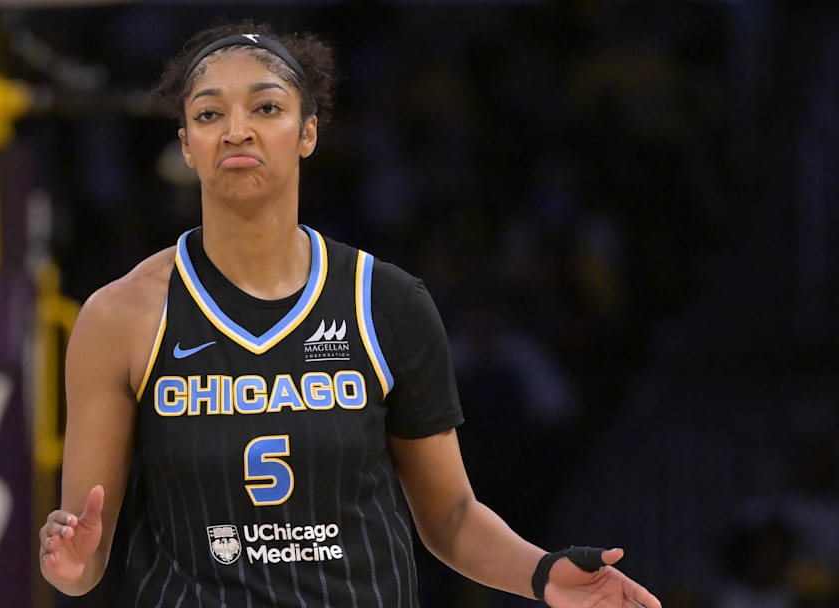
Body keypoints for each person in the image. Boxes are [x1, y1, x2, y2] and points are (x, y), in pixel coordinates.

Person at [38, 20, 662, 608]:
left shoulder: (386, 302)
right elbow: (84, 554)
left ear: (308, 132)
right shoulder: (119, 316)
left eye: (267, 107)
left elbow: (450, 517)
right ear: (187, 146)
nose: (236, 130)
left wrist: (540, 571)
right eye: (208, 114)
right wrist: (71, 566)